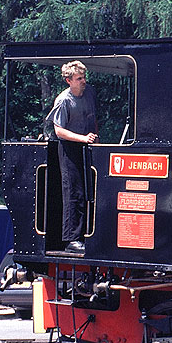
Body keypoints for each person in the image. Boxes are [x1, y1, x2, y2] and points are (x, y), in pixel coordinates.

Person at [51, 60, 98, 253]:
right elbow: (59, 131)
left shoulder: (89, 94)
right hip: (69, 149)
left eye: (84, 77)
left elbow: (93, 119)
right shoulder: (63, 100)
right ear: (68, 80)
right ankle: (71, 239)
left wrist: (95, 137)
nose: (83, 81)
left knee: (89, 191)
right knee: (74, 193)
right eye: (79, 78)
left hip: (87, 146)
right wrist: (82, 138)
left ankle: (88, 234)